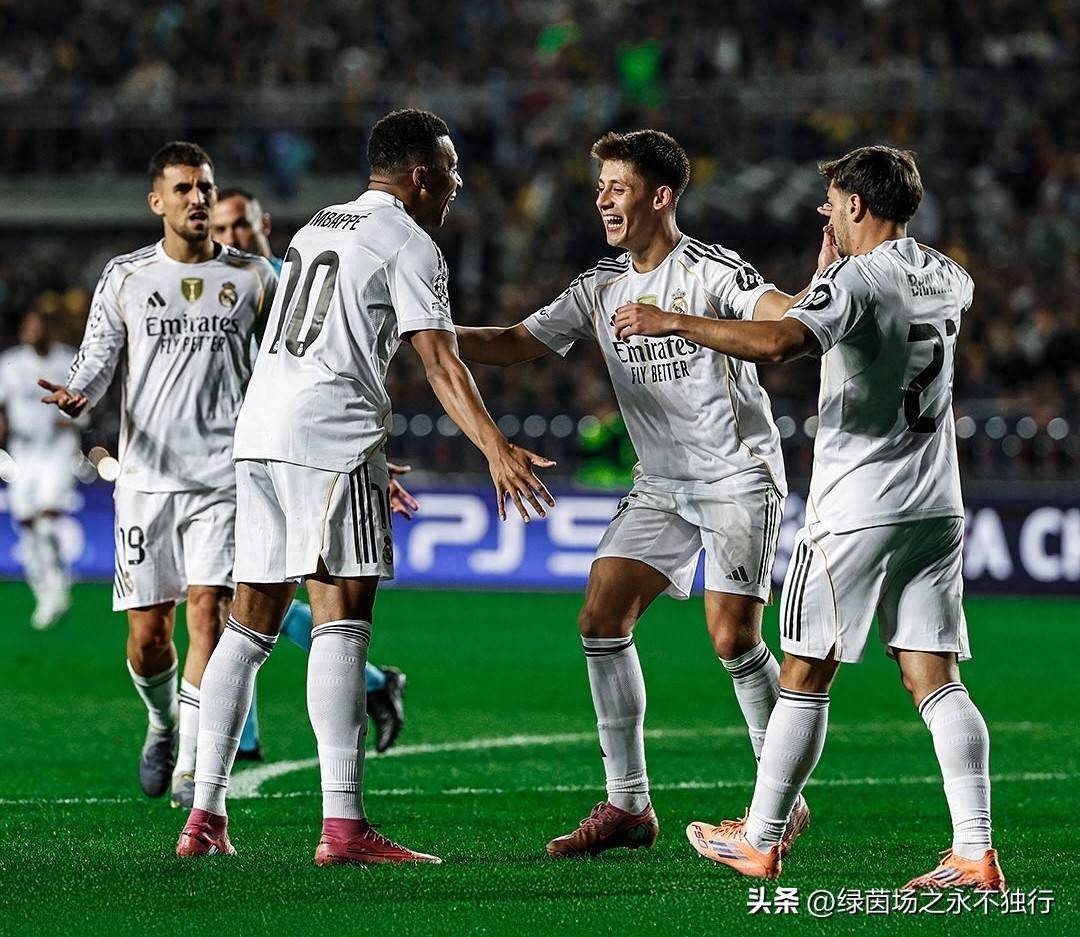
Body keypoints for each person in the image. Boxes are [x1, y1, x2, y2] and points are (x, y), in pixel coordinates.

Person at [615, 145, 1004, 891]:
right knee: (934, 678)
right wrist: (827, 278)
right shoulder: (949, 275)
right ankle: (974, 850)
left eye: (831, 202)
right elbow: (870, 319)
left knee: (803, 674)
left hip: (856, 507)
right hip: (935, 505)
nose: (825, 212)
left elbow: (781, 340)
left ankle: (759, 838)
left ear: (857, 204)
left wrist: (674, 320)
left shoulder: (859, 279)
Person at [176, 108, 554, 864]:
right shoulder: (410, 241)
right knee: (341, 617)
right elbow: (440, 360)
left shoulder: (318, 226)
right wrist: (496, 447)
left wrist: (368, 458)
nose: (456, 184)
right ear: (420, 174)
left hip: (262, 432)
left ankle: (204, 816)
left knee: (248, 624)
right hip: (328, 436)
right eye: (449, 170)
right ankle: (343, 827)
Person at [455, 129, 808, 858]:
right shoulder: (600, 285)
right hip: (662, 485)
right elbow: (515, 342)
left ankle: (784, 800)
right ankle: (628, 804)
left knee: (732, 638)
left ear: (661, 196)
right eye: (600, 188)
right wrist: (425, 335)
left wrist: (812, 291)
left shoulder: (711, 270)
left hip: (736, 475)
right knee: (601, 615)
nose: (603, 200)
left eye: (618, 187)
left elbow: (782, 316)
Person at [40, 142, 279, 810]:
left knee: (210, 615)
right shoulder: (127, 276)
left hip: (224, 477)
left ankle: (193, 774)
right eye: (184, 189)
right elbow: (97, 358)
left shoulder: (255, 278)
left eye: (205, 187)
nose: (198, 198)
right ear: (157, 202)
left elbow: (294, 361)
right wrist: (80, 394)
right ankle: (163, 722)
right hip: (147, 482)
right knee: (149, 638)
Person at [211, 186, 410, 759]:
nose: (231, 238)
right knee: (241, 600)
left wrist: (358, 455)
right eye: (221, 230)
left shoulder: (289, 281)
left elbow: (338, 371)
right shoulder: (219, 292)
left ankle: (244, 744)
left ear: (264, 224)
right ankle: (375, 683)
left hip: (294, 454)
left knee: (249, 601)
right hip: (241, 452)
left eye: (241, 226)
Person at [0, 310, 80, 629]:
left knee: (47, 522)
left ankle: (57, 588)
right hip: (22, 450)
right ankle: (45, 592)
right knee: (27, 524)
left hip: (58, 448)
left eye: (37, 327)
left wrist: (76, 417)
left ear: (49, 330)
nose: (31, 332)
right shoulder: (10, 362)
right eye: (27, 326)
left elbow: (88, 399)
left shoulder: (68, 360)